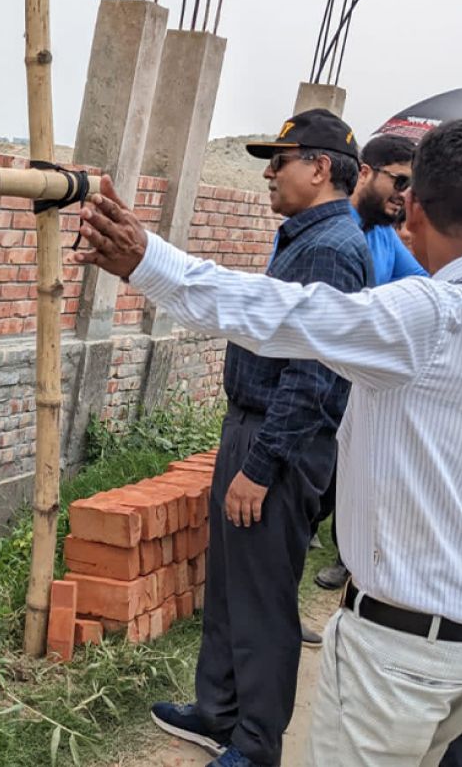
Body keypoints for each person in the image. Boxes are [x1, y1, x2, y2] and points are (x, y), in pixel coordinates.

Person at [75, 119, 462, 767]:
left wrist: (147, 260)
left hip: (402, 657)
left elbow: (277, 315)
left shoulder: (428, 317)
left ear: (415, 213)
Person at [145, 108, 372, 767]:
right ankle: (216, 712)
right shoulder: (305, 237)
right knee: (229, 586)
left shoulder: (331, 248)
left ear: (320, 168)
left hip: (276, 441)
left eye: (281, 160)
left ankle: (254, 744)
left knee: (264, 601)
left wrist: (262, 466)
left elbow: (314, 374)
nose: (269, 173)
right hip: (250, 429)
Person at [311, 134, 427, 596]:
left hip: (356, 377)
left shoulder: (382, 235)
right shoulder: (325, 228)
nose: (405, 195)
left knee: (355, 467)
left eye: (412, 187)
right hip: (315, 375)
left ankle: (347, 557)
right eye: (399, 180)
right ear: (363, 172)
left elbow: (421, 283)